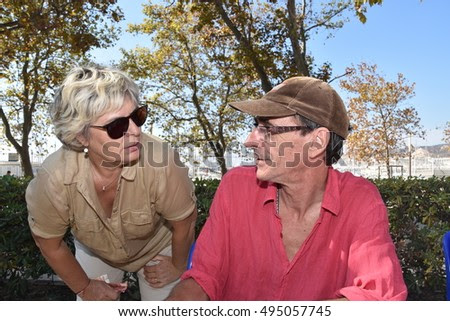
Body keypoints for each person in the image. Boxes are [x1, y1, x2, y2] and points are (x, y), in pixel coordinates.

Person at [166, 76, 407, 301]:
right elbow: (203, 277)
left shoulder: (359, 199)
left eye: (267, 129)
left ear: (316, 143)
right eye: (255, 126)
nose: (249, 140)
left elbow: (378, 297)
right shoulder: (235, 187)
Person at [26, 66, 197, 301]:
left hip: (158, 245)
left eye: (137, 116)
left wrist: (178, 266)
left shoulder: (163, 161)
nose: (135, 131)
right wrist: (84, 287)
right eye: (117, 126)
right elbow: (49, 243)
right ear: (81, 136)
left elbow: (184, 224)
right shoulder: (53, 178)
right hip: (96, 252)